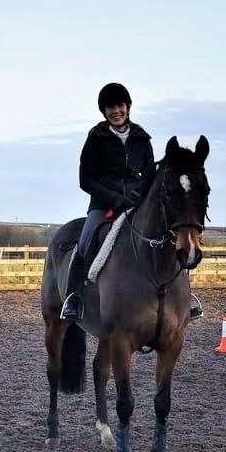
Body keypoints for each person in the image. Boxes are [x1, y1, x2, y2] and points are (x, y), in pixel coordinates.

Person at [60, 83, 155, 320]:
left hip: (137, 203)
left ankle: (182, 296)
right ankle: (74, 298)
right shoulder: (96, 138)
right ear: (104, 111)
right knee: (85, 241)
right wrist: (114, 197)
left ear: (128, 107)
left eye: (120, 106)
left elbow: (151, 175)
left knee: (166, 237)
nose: (116, 111)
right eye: (110, 107)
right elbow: (86, 179)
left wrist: (140, 195)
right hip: (104, 204)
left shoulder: (142, 138)